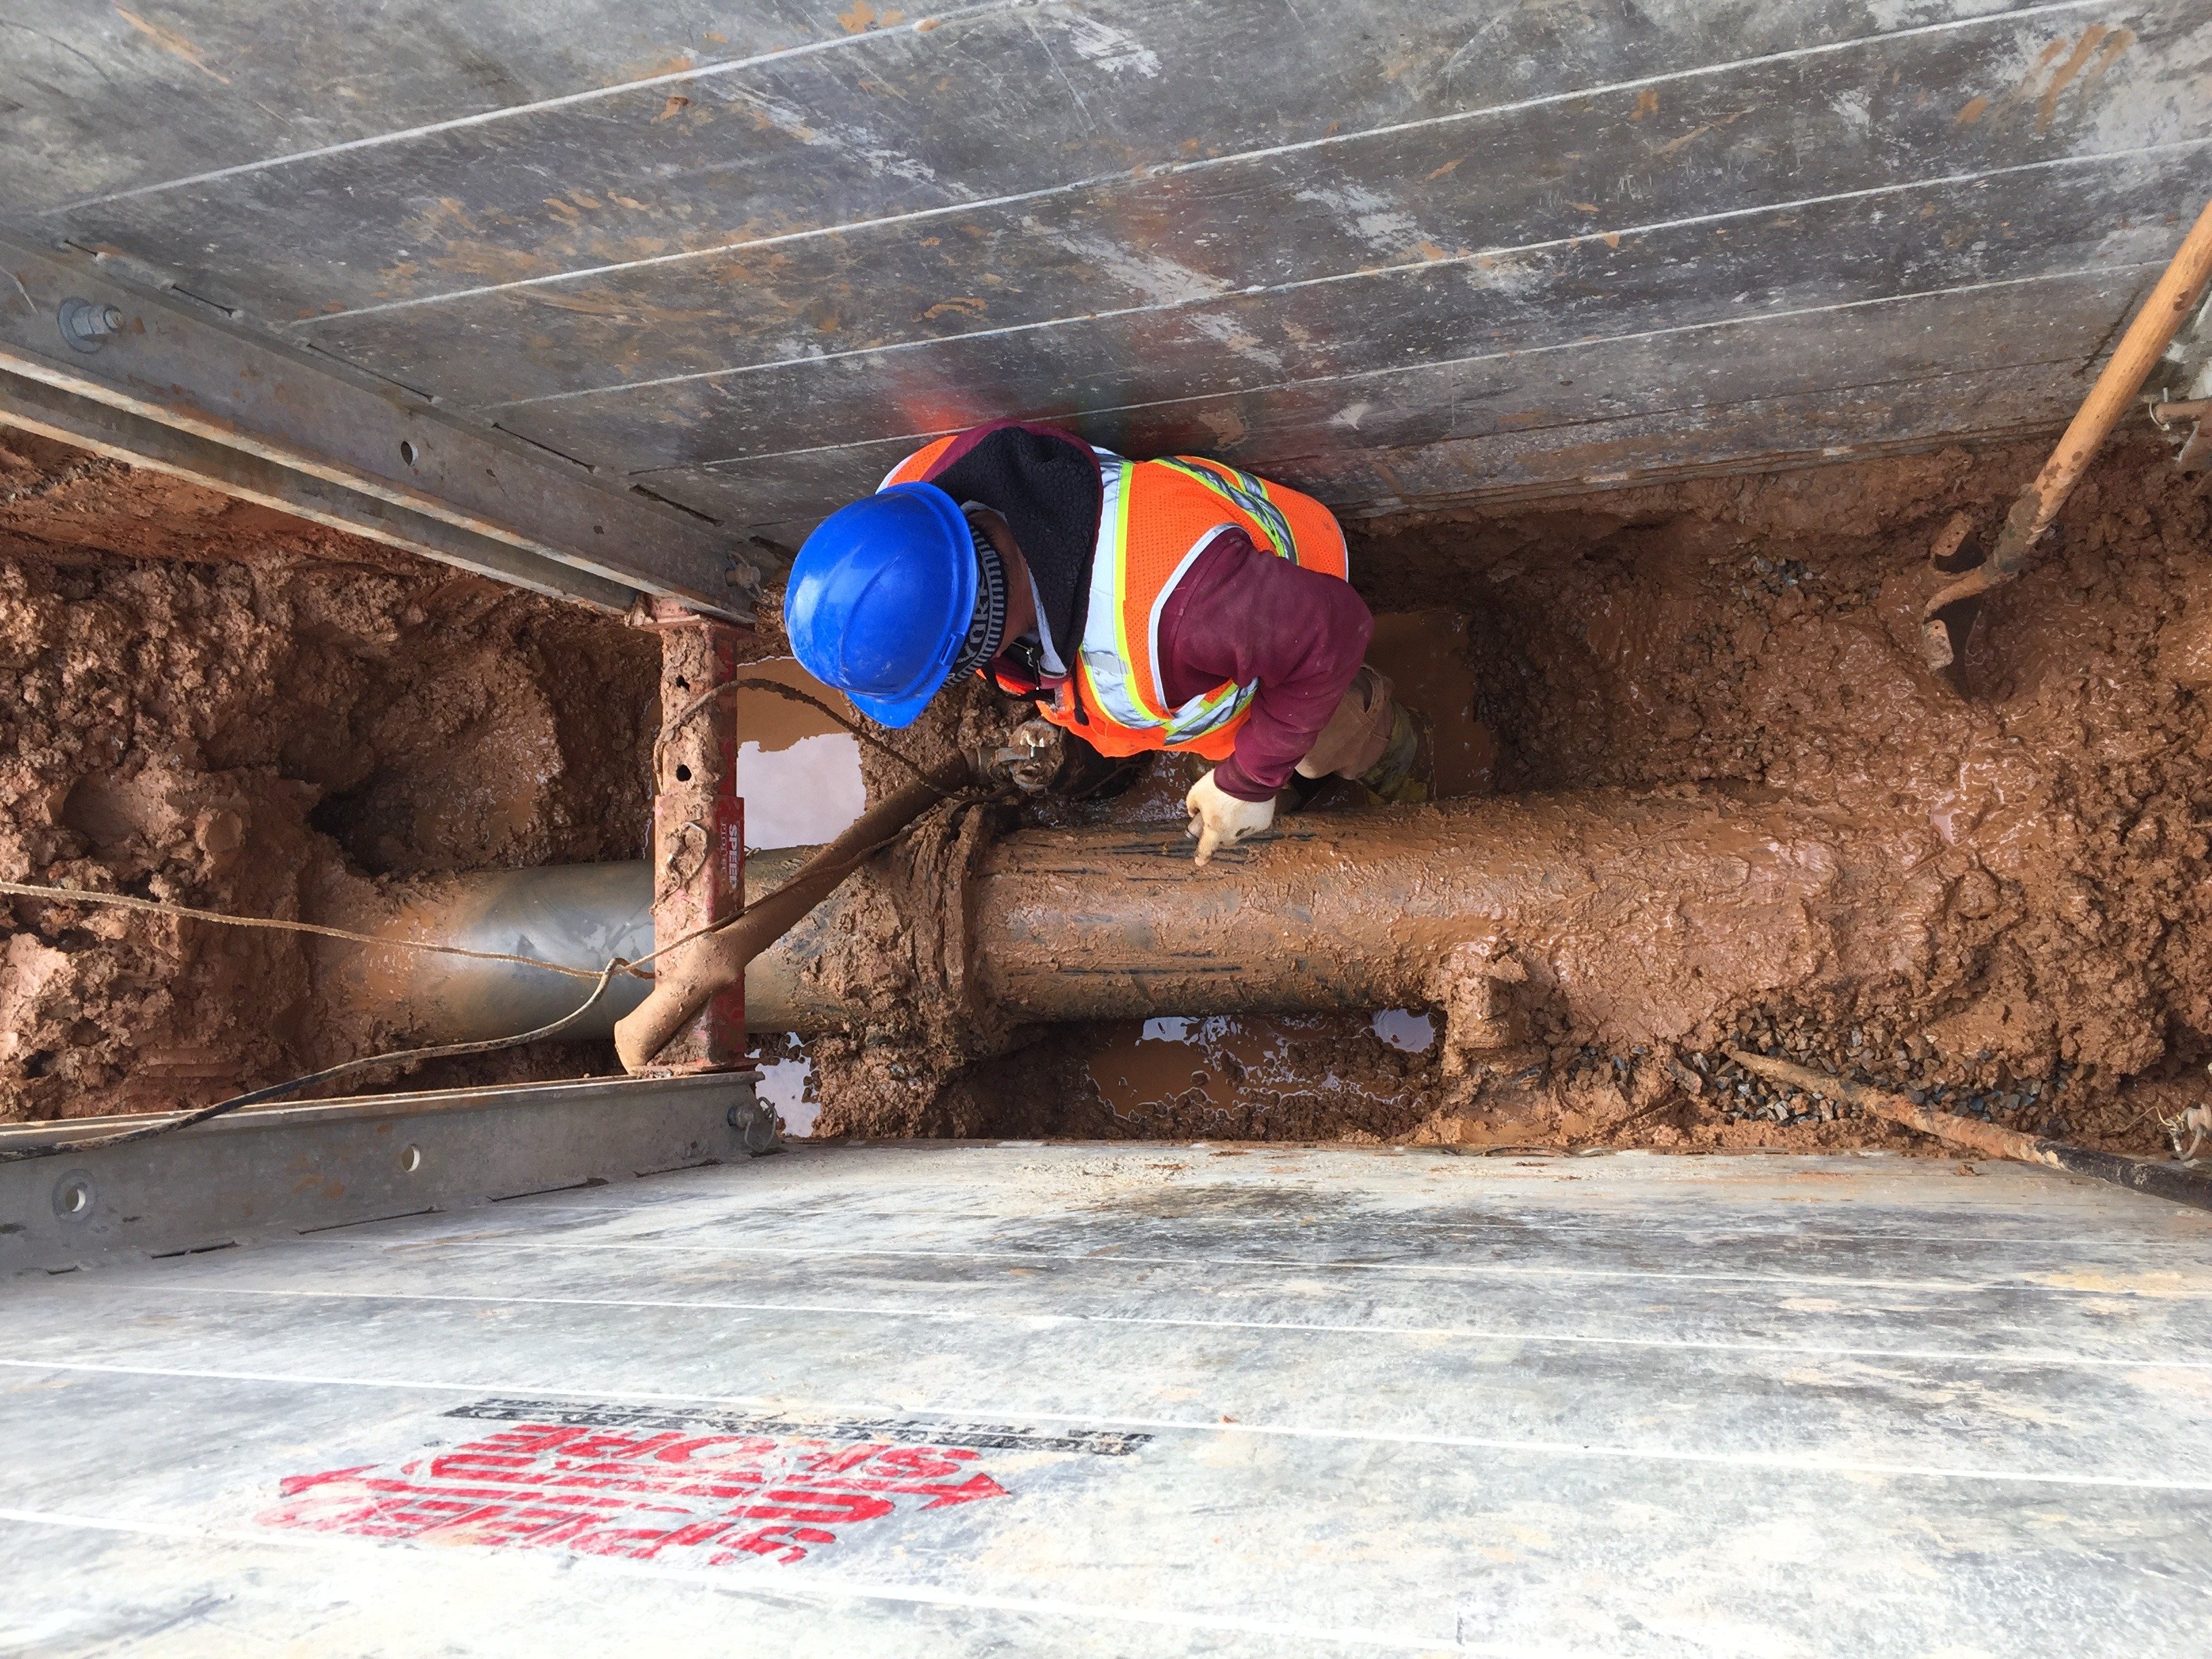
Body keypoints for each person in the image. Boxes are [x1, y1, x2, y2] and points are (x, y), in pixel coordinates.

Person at [784, 419, 1426, 864]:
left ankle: (1405, 764)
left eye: (946, 668)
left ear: (975, 632)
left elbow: (1335, 631)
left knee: (1328, 741)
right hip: (1193, 659)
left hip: (1288, 635)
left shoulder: (1177, 608)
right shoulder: (917, 506)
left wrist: (1248, 781)